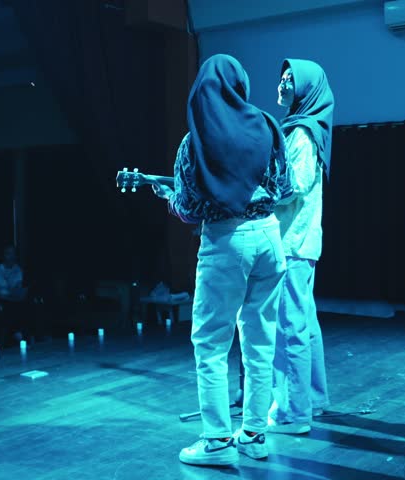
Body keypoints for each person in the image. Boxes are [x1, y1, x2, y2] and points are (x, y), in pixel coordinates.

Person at [152, 54, 290, 465]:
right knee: (260, 341)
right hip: (270, 236)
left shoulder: (196, 138)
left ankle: (215, 441)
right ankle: (254, 435)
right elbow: (283, 186)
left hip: (226, 242)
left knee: (211, 343)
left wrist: (169, 200)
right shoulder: (268, 125)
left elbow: (190, 207)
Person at [268, 58, 334, 434]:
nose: (282, 84)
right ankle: (314, 399)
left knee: (290, 325)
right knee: (305, 324)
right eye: (282, 77)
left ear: (307, 89)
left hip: (292, 241)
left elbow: (295, 186)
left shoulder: (303, 133)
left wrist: (255, 194)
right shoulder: (299, 129)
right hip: (301, 239)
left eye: (291, 80)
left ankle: (294, 413)